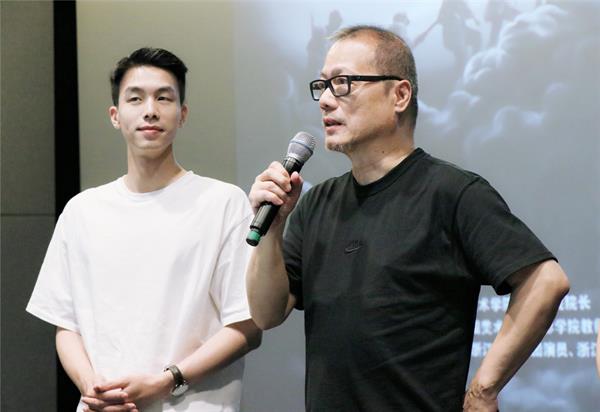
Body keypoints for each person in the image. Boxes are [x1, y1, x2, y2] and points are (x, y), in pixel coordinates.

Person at [246, 26, 570, 411]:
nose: (327, 101)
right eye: (323, 85)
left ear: (399, 95)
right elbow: (266, 313)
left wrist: (484, 389)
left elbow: (546, 281)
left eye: (344, 83)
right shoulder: (317, 203)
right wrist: (274, 228)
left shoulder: (451, 192)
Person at [27, 47, 261, 412]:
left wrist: (167, 381)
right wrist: (93, 389)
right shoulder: (82, 211)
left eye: (163, 98)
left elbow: (247, 325)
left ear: (182, 114)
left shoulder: (223, 203)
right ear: (115, 115)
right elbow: (66, 325)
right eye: (135, 98)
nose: (150, 110)